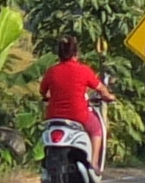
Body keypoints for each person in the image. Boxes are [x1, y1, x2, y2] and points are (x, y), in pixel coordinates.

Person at [40, 37, 108, 176]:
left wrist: (49, 97)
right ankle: (93, 163)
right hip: (79, 115)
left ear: (59, 55)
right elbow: (101, 88)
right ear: (76, 54)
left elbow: (42, 91)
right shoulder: (83, 70)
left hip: (54, 116)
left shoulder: (52, 71)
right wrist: (109, 96)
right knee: (96, 129)